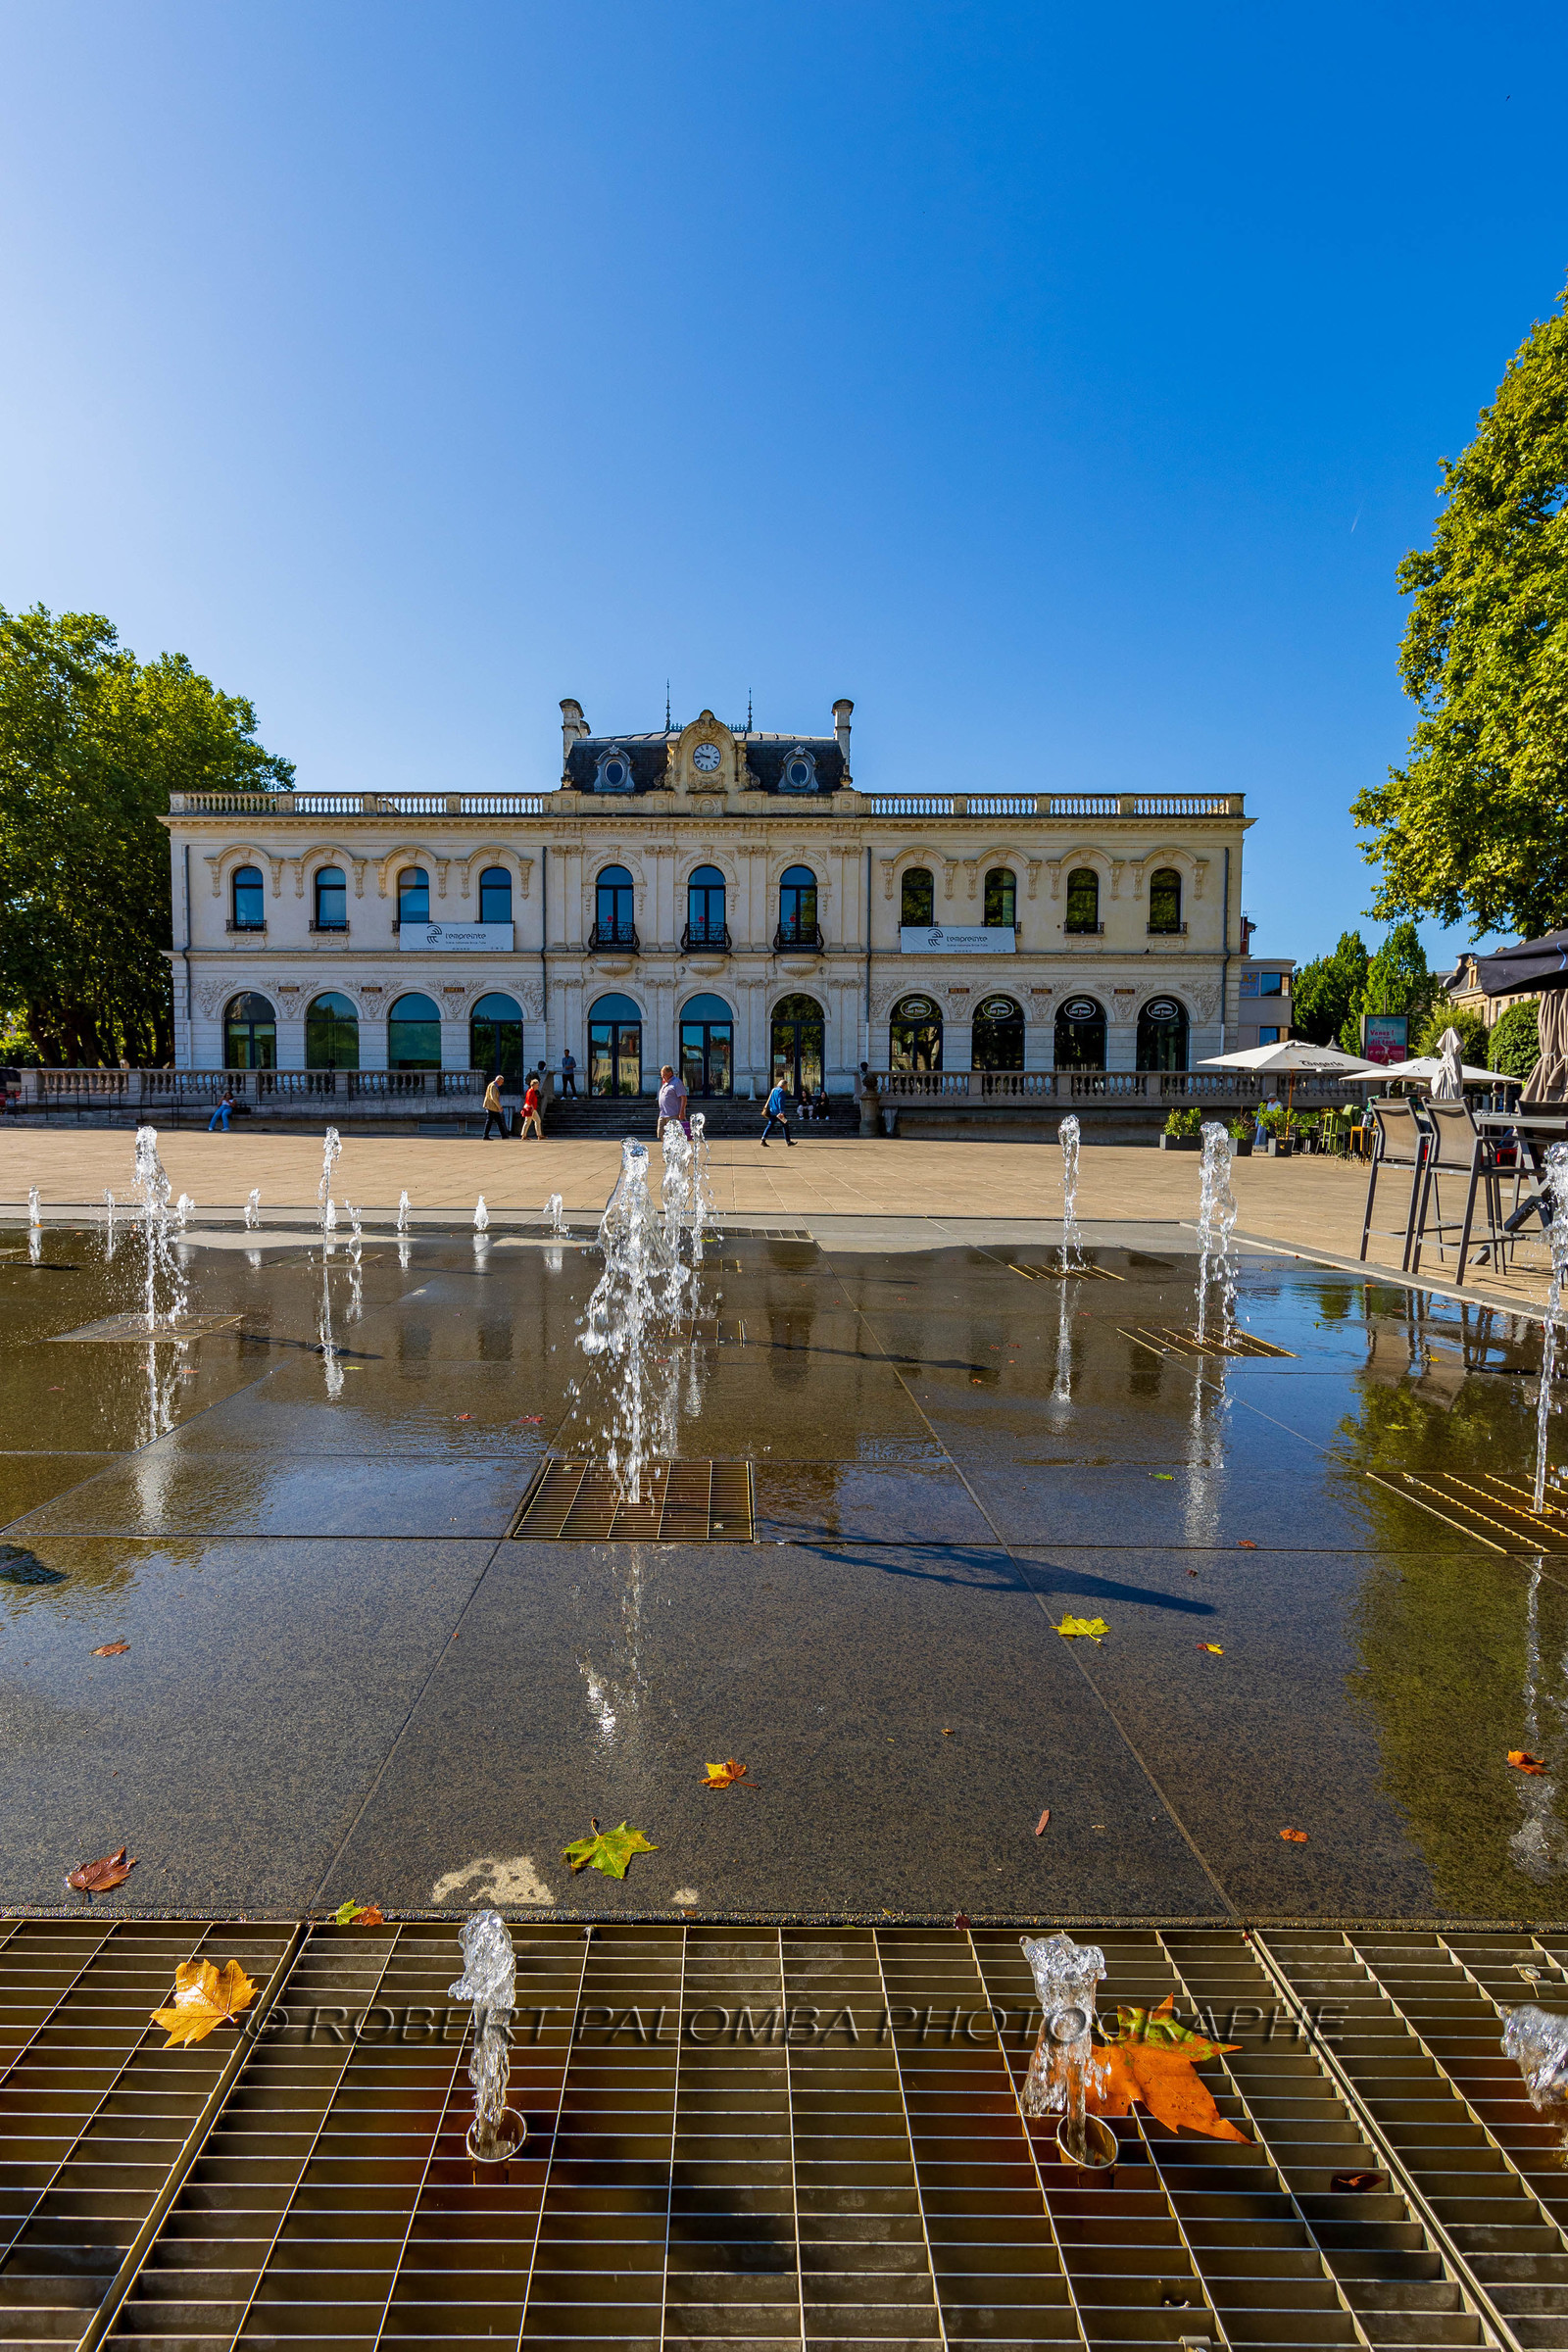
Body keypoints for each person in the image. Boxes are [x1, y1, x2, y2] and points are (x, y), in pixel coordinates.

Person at [657, 1063, 688, 1140]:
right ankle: (666, 1150)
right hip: (662, 1114)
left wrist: (682, 1112)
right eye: (662, 1075)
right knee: (661, 1134)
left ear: (670, 1073)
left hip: (673, 1114)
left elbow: (683, 1098)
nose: (662, 1077)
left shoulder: (677, 1082)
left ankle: (674, 1151)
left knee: (674, 1136)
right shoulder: (665, 1083)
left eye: (664, 1075)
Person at [760, 1077, 794, 1146]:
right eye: (786, 1086)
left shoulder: (773, 1090)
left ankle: (763, 1138)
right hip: (779, 1113)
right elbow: (780, 1102)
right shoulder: (781, 1091)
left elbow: (770, 1101)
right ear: (783, 1085)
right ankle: (788, 1141)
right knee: (785, 1125)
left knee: (770, 1125)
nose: (786, 1088)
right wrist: (781, 1112)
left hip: (772, 1111)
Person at [481, 1073, 508, 1141]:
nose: (502, 1083)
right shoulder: (493, 1086)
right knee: (491, 1121)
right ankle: (486, 1135)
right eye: (501, 1082)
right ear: (498, 1080)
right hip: (491, 1106)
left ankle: (503, 1135)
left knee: (497, 1121)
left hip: (492, 1106)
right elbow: (493, 1097)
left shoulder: (493, 1085)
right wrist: (499, 1106)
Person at [518, 1072, 543, 1140]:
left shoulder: (531, 1091)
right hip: (531, 1109)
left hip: (531, 1108)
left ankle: (525, 1135)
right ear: (534, 1085)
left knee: (530, 1121)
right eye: (537, 1085)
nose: (538, 1086)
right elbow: (529, 1100)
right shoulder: (531, 1091)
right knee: (535, 1121)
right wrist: (532, 1107)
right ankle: (538, 1135)